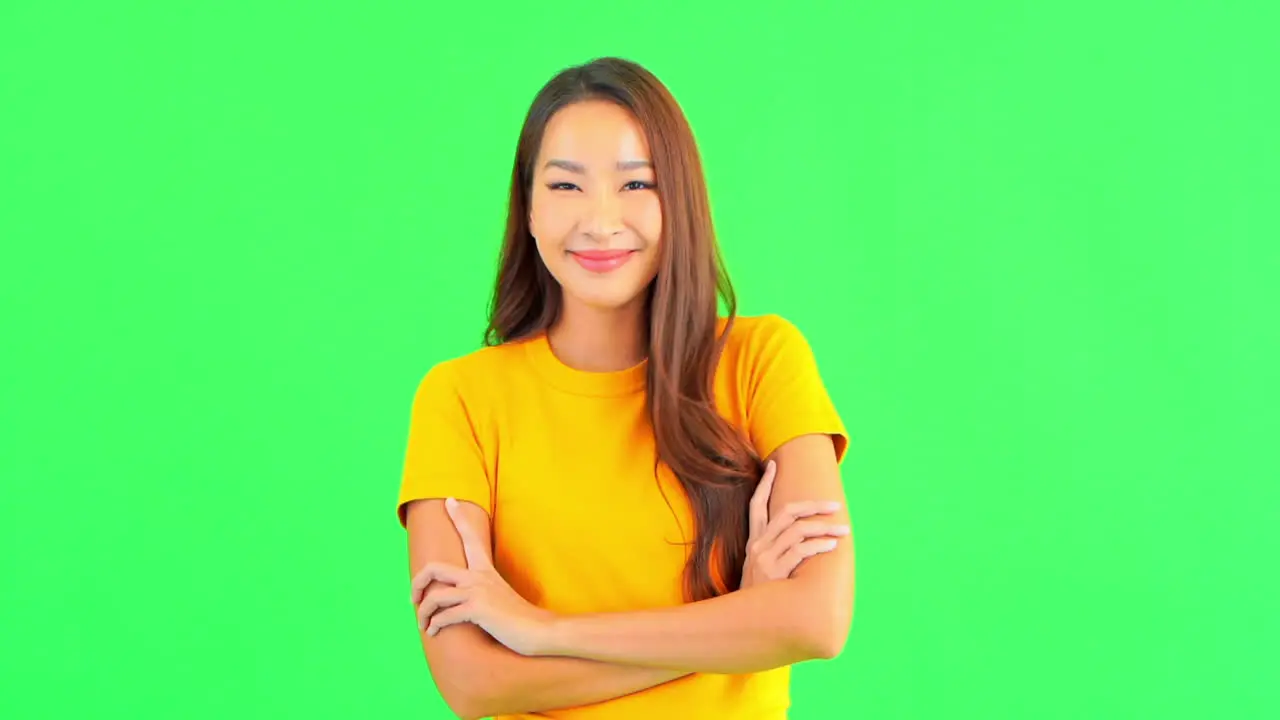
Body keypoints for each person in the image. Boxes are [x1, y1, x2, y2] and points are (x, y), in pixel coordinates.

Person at [397, 57, 854, 720]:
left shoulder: (762, 361)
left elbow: (817, 620)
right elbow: (473, 682)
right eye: (565, 187)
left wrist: (541, 633)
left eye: (637, 182)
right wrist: (738, 626)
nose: (601, 221)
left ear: (681, 201)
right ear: (526, 208)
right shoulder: (460, 399)